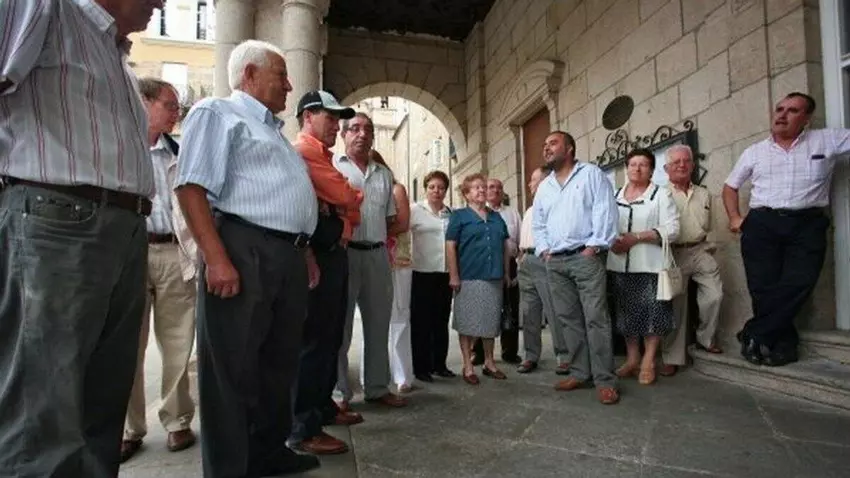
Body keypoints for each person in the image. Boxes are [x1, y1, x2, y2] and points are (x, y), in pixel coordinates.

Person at [0, 1, 162, 476]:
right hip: (58, 220)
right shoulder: (44, 8)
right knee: (41, 412)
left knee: (100, 409)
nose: (161, 3)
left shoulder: (112, 52)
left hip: (119, 226)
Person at [175, 40, 320, 477]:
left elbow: (286, 197)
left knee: (279, 362)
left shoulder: (272, 131)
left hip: (287, 255)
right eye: (281, 75)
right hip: (243, 247)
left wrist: (304, 251)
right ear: (250, 74)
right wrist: (217, 258)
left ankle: (267, 453)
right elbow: (191, 187)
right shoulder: (217, 113)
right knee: (232, 367)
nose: (289, 85)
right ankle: (229, 468)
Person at [723, 92, 850, 367]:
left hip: (807, 224)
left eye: (792, 110)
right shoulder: (755, 151)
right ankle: (781, 347)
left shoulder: (826, 140)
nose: (782, 115)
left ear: (807, 118)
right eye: (779, 109)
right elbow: (730, 186)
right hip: (762, 224)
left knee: (799, 282)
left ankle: (754, 332)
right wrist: (735, 217)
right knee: (762, 287)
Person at [121, 78, 198, 462]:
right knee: (126, 345)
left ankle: (177, 420)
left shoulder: (179, 152)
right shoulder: (122, 146)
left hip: (173, 252)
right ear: (144, 102)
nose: (176, 112)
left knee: (178, 342)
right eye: (169, 105)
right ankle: (128, 428)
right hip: (130, 254)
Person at [289, 90, 363, 456]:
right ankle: (304, 428)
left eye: (337, 119)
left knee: (330, 337)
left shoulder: (322, 155)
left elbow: (350, 205)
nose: (336, 125)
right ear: (308, 117)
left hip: (333, 251)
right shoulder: (305, 151)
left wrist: (344, 207)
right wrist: (345, 206)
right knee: (314, 341)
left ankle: (321, 407)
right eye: (330, 118)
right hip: (317, 253)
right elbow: (349, 198)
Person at [532, 131, 620, 405]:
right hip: (556, 262)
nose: (546, 148)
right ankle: (581, 373)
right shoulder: (545, 187)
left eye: (553, 143)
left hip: (585, 258)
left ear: (569, 148)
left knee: (596, 319)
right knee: (568, 319)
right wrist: (545, 251)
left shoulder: (591, 174)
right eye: (544, 144)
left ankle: (605, 380)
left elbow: (605, 211)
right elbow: (539, 224)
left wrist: (593, 248)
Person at [334, 113, 408, 410]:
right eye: (355, 128)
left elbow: (390, 218)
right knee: (340, 326)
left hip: (377, 255)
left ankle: (377, 387)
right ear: (344, 134)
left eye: (367, 129)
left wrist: (376, 237)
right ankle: (339, 394)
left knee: (379, 325)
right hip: (344, 254)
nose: (362, 134)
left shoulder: (384, 175)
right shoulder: (333, 168)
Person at [607, 149, 680, 386]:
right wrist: (611, 241)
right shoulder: (615, 195)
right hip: (620, 265)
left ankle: (648, 361)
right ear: (626, 168)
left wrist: (637, 237)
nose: (637, 169)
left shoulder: (661, 194)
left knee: (652, 315)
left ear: (651, 170)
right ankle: (632, 359)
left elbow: (673, 229)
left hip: (650, 266)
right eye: (633, 164)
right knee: (626, 315)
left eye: (644, 165)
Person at [661, 145, 723, 376]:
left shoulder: (704, 193)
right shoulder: (661, 195)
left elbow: (711, 225)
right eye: (676, 162)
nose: (682, 165)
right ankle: (671, 356)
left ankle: (705, 339)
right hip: (673, 254)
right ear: (666, 168)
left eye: (686, 161)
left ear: (693, 165)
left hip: (699, 250)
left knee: (715, 295)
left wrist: (709, 248)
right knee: (675, 307)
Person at [446, 173, 511, 385]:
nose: (482, 190)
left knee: (490, 321)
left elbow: (504, 246)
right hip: (469, 276)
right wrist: (454, 275)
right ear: (466, 194)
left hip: (494, 275)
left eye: (483, 187)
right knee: (467, 322)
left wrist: (506, 272)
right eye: (476, 188)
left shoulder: (496, 217)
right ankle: (468, 365)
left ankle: (489, 363)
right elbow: (450, 246)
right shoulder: (459, 216)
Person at [368, 151, 416, 393]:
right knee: (373, 319)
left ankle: (402, 375)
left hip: (397, 260)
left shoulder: (397, 189)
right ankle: (373, 375)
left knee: (399, 316)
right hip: (372, 257)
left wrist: (373, 230)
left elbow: (403, 223)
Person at [517, 164, 570, 374]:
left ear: (546, 182)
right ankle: (530, 356)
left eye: (533, 180)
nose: (529, 184)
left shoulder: (554, 205)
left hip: (545, 260)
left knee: (554, 310)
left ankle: (564, 356)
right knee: (529, 312)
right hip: (526, 262)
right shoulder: (530, 209)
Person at [409, 171, 456, 382]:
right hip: (421, 272)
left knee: (441, 320)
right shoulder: (415, 210)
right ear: (425, 189)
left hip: (444, 273)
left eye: (441, 187)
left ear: (446, 191)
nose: (436, 191)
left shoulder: (450, 213)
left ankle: (440, 364)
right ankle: (421, 367)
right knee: (421, 321)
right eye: (432, 187)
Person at [471, 179, 522, 365]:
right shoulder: (477, 213)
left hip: (510, 264)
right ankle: (479, 352)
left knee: (510, 308)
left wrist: (518, 267)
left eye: (499, 187)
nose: (496, 190)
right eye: (491, 187)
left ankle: (509, 352)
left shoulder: (512, 212)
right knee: (483, 308)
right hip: (485, 265)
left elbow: (520, 241)